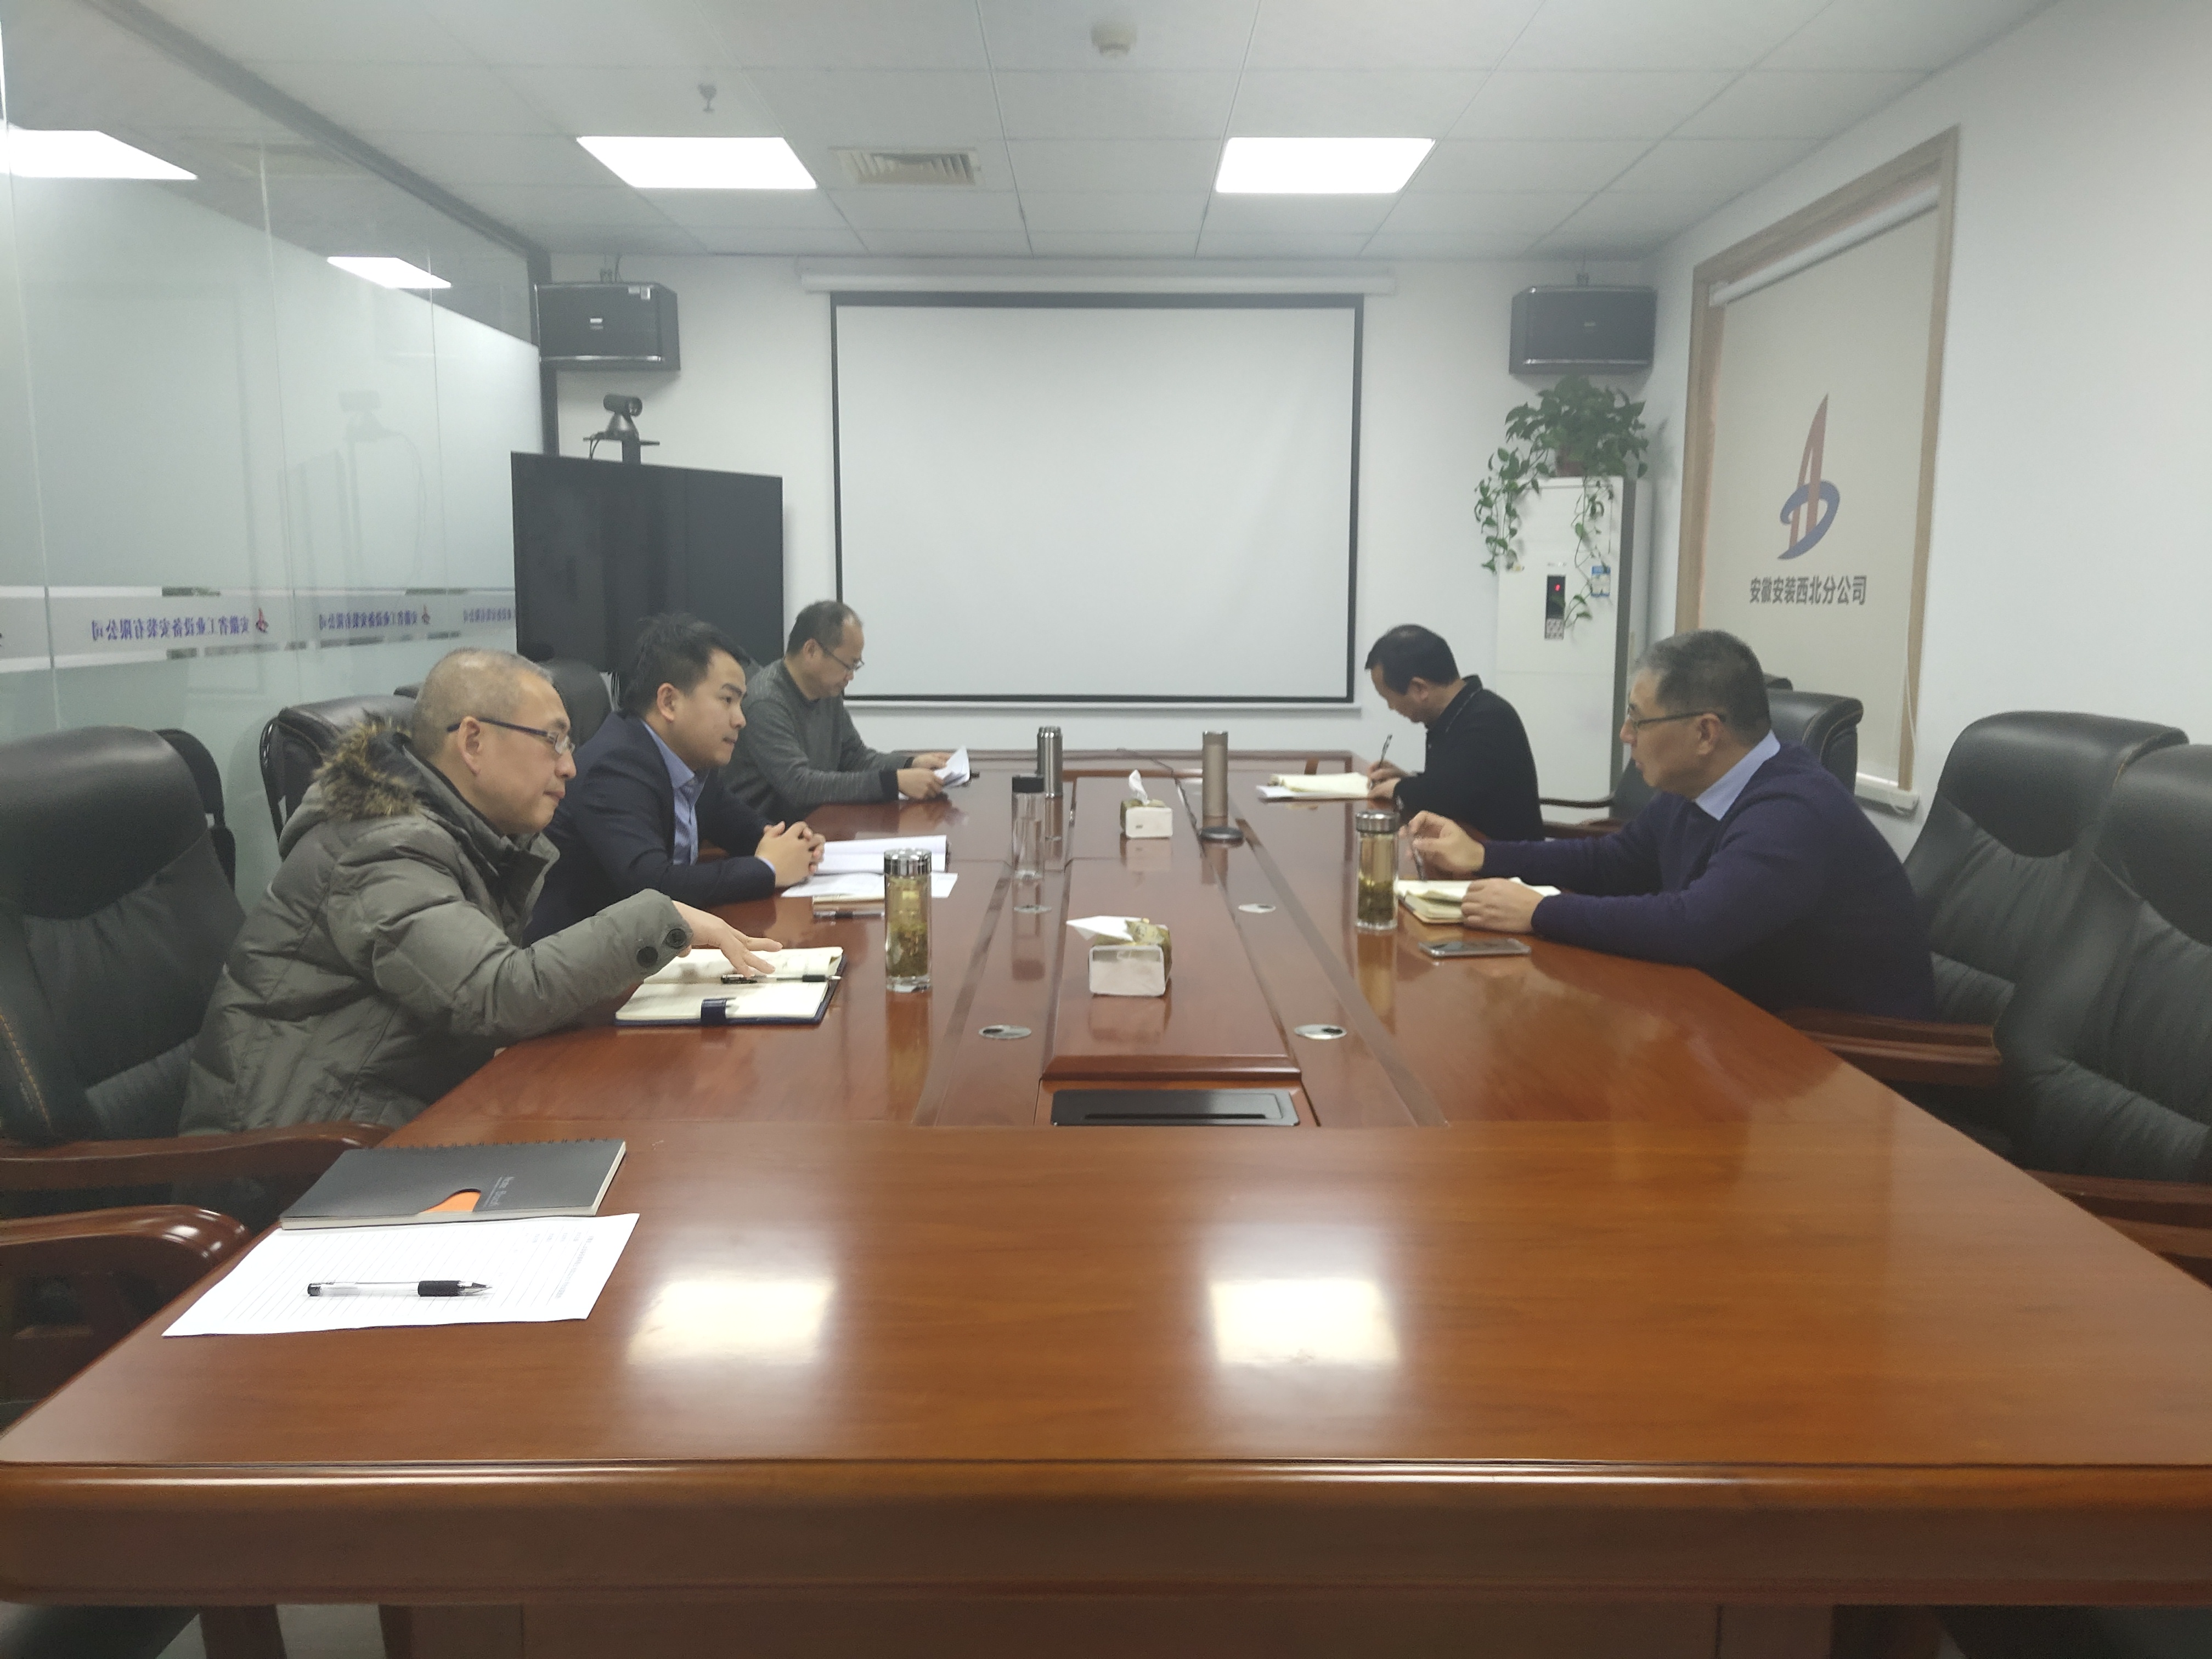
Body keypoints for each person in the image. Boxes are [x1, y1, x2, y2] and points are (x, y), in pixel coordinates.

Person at [182, 648, 780, 1138]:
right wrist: (661, 915)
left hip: (407, 1120)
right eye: (554, 740)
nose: (570, 767)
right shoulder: (379, 848)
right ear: (472, 742)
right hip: (297, 1161)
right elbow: (499, 994)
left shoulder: (471, 837)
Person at [1406, 629, 1936, 1018]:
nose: (1625, 734)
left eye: (1639, 719)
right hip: (1739, 1017)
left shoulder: (1793, 811)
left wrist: (1541, 911)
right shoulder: (1698, 787)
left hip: (1846, 1063)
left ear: (1706, 733)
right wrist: (1484, 855)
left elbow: (1694, 926)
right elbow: (1613, 862)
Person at [528, 614, 824, 940]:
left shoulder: (692, 762)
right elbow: (653, 887)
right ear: (669, 702)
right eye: (727, 700)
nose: (740, 719)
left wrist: (796, 845)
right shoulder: (614, 768)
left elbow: (747, 831)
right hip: (590, 961)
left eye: (741, 703)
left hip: (654, 947)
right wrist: (768, 869)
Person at [725, 600, 954, 820]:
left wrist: (910, 764)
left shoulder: (827, 691)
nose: (851, 676)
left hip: (816, 821)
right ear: (811, 650)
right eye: (848, 665)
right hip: (766, 834)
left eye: (856, 667)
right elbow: (799, 786)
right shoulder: (766, 703)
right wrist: (893, 782)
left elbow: (856, 758)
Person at [1362, 624, 1544, 841]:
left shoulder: (1488, 719)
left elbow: (1449, 799)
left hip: (1502, 856)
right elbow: (1456, 781)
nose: (1392, 707)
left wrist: (1400, 789)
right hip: (1468, 846)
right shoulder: (1457, 713)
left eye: (1389, 699)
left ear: (1420, 688)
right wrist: (1406, 778)